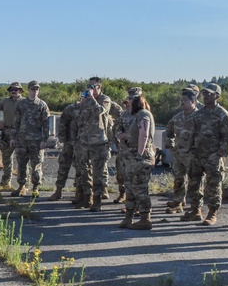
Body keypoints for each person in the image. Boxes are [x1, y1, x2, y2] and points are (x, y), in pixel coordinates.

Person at [184, 82, 228, 225]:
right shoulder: (199, 114)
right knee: (194, 184)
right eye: (204, 93)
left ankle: (212, 213)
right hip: (197, 155)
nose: (206, 96)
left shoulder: (223, 115)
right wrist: (191, 150)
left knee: (213, 186)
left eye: (209, 94)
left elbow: (227, 138)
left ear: (217, 96)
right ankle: (195, 210)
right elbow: (193, 133)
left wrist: (219, 154)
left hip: (213, 156)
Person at [117, 88, 155, 230]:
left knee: (139, 187)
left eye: (132, 101)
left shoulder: (144, 114)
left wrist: (139, 155)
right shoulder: (136, 114)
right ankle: (129, 217)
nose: (129, 104)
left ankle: (145, 218)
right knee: (130, 187)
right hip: (131, 156)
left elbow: (144, 134)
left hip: (140, 158)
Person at [74, 77, 113, 211]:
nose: (90, 88)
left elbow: (99, 111)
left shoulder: (105, 100)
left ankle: (97, 201)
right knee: (85, 171)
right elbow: (80, 118)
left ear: (99, 87)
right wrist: (82, 103)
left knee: (98, 173)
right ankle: (87, 198)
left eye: (93, 86)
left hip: (98, 142)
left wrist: (90, 98)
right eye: (89, 86)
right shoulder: (85, 101)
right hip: (85, 141)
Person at [10, 80, 50, 196]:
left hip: (36, 141)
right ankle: (21, 186)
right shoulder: (22, 104)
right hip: (22, 140)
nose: (35, 91)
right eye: (33, 89)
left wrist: (44, 140)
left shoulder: (42, 105)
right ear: (28, 90)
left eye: (37, 89)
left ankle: (35, 188)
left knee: (36, 165)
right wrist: (13, 137)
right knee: (21, 164)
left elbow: (46, 124)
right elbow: (16, 122)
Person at [164, 86, 199, 214]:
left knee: (195, 182)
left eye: (185, 100)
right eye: (181, 100)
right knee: (178, 180)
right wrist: (171, 145)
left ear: (193, 101)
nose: (182, 102)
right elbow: (169, 132)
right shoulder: (177, 117)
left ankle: (195, 207)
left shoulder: (199, 117)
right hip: (179, 155)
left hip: (193, 156)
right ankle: (178, 203)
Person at [47, 99, 81, 201]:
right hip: (69, 142)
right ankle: (58, 191)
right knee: (63, 166)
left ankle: (78, 193)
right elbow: (62, 123)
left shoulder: (90, 108)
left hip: (82, 144)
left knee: (81, 169)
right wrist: (62, 139)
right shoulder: (71, 108)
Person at [0, 82, 24, 189]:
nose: (13, 91)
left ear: (20, 90)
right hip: (7, 132)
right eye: (12, 90)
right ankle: (6, 182)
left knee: (22, 161)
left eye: (16, 89)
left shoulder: (24, 102)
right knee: (6, 160)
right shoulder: (4, 101)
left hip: (21, 134)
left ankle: (23, 184)